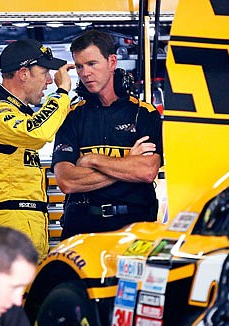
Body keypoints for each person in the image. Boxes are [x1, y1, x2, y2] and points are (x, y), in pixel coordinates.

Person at [51, 29, 163, 239]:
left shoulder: (144, 114)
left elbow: (146, 171)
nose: (85, 73)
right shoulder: (70, 116)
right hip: (81, 227)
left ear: (112, 62)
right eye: (79, 66)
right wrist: (127, 162)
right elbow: (67, 181)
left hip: (133, 228)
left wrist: (92, 159)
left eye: (92, 64)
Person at [0, 39, 74, 260]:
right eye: (45, 73)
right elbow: (38, 132)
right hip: (11, 226)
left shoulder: (15, 112)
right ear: (23, 73)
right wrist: (62, 93)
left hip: (21, 222)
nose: (48, 81)